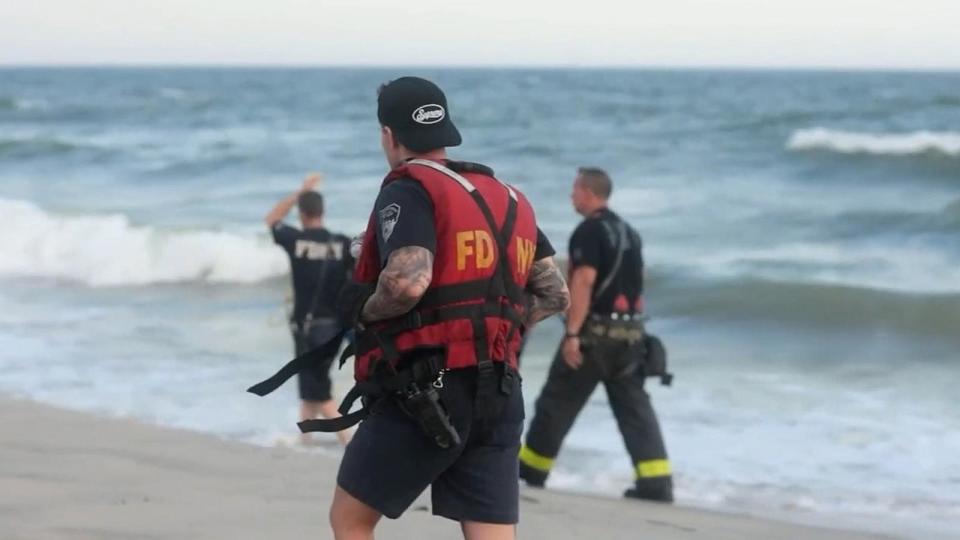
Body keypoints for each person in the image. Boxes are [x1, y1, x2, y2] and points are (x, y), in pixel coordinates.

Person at [328, 77, 569, 540]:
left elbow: (408, 282)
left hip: (426, 390)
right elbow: (556, 295)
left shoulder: (409, 188)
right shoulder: (511, 198)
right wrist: (493, 328)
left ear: (388, 134)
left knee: (350, 520)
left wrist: (363, 309)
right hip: (500, 390)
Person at [518, 167, 674, 503]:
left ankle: (530, 473)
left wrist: (573, 333)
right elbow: (638, 282)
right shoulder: (629, 232)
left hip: (594, 339)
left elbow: (584, 280)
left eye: (575, 189)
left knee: (556, 404)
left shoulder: (589, 231)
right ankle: (656, 483)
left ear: (589, 192)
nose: (571, 195)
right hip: (631, 338)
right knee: (635, 411)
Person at [264, 174, 354, 445]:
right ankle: (305, 442)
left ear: (302, 214)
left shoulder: (296, 241)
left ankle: (347, 441)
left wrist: (299, 191)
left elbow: (272, 219)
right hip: (335, 328)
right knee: (310, 387)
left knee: (319, 392)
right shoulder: (343, 244)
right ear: (322, 212)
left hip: (307, 329)